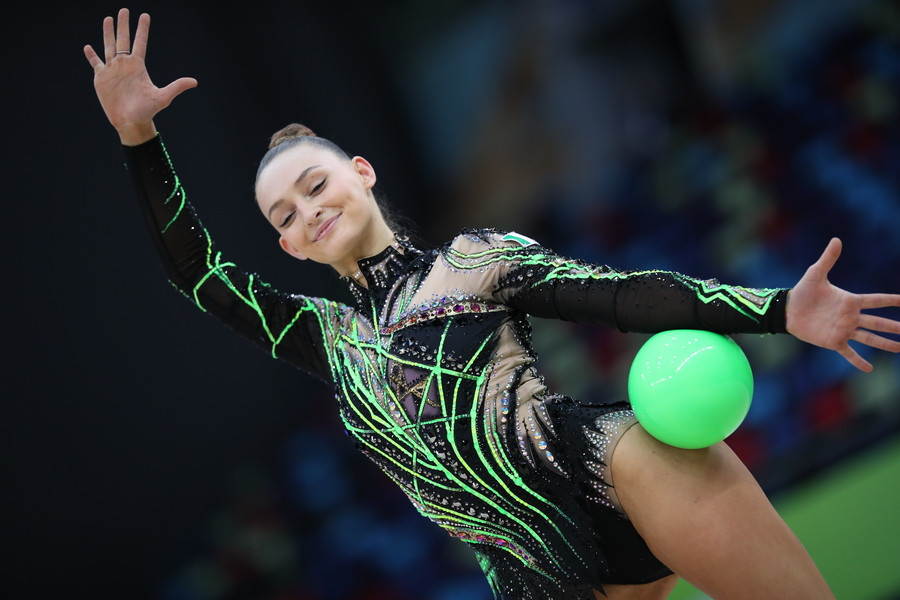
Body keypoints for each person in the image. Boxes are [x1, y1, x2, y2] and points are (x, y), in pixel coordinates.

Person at [84, 9, 900, 600]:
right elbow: (198, 273)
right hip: (532, 574)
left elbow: (622, 296)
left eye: (315, 183)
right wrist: (138, 139)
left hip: (619, 471)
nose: (308, 210)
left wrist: (778, 310)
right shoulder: (324, 337)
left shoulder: (473, 262)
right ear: (290, 248)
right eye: (285, 216)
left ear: (361, 172)